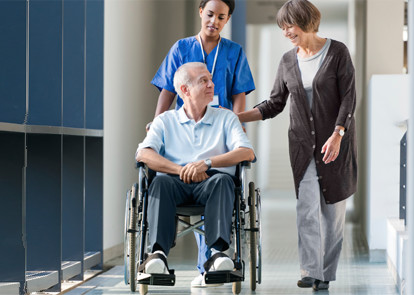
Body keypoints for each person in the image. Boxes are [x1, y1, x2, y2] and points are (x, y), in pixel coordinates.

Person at [237, 0, 357, 291]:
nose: (286, 32)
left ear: (306, 21)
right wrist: (235, 116)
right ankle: (310, 270)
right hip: (302, 147)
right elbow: (274, 103)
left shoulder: (337, 52)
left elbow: (349, 97)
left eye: (289, 25)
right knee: (307, 209)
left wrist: (338, 133)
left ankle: (325, 275)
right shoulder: (288, 61)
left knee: (332, 215)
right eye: (282, 27)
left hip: (335, 146)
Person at [149, 1, 255, 284]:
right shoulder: (182, 48)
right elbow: (168, 89)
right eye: (210, 15)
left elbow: (238, 93)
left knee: (217, 182)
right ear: (200, 13)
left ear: (227, 19)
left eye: (221, 17)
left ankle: (212, 260)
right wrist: (157, 121)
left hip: (217, 128)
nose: (214, 21)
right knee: (169, 181)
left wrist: (235, 124)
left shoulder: (233, 52)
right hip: (185, 129)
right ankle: (162, 256)